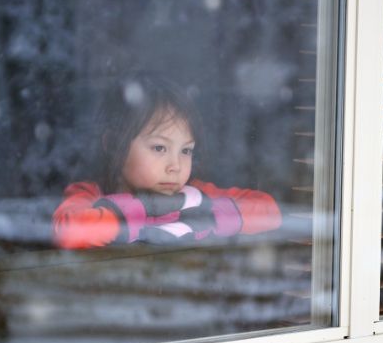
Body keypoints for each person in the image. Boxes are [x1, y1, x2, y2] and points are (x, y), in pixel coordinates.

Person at [53, 79, 281, 249]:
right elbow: (70, 233)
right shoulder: (90, 195)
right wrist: (147, 209)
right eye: (159, 148)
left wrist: (207, 215)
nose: (176, 166)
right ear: (114, 145)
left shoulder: (194, 197)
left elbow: (269, 211)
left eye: (186, 150)